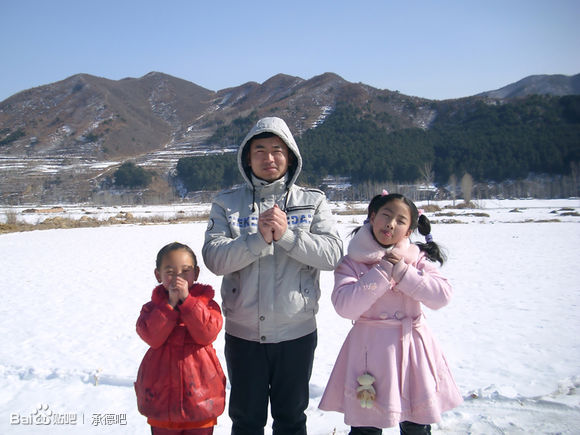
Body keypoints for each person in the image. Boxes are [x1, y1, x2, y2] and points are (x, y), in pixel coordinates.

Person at [202, 116, 343, 435]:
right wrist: (257, 239)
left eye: (277, 150)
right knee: (246, 420)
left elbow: (333, 254)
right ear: (247, 159)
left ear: (290, 156)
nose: (269, 157)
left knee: (291, 418)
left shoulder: (313, 201)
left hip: (296, 332)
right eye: (260, 150)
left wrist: (288, 236)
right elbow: (215, 258)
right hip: (244, 334)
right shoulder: (227, 204)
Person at [319, 192, 463, 434]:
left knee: (416, 424)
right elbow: (345, 306)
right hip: (369, 353)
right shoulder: (351, 262)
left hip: (413, 350)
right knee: (366, 425)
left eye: (400, 221)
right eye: (386, 215)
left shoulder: (416, 260)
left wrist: (403, 272)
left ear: (408, 232)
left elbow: (442, 296)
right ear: (372, 218)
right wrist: (384, 271)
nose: (391, 224)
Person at [135, 242, 226, 435]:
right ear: (158, 275)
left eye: (185, 271)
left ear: (196, 273)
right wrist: (168, 307)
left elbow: (207, 334)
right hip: (161, 401)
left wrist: (188, 303)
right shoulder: (151, 309)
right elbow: (152, 337)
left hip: (201, 399)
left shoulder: (207, 305)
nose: (178, 278)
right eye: (170, 271)